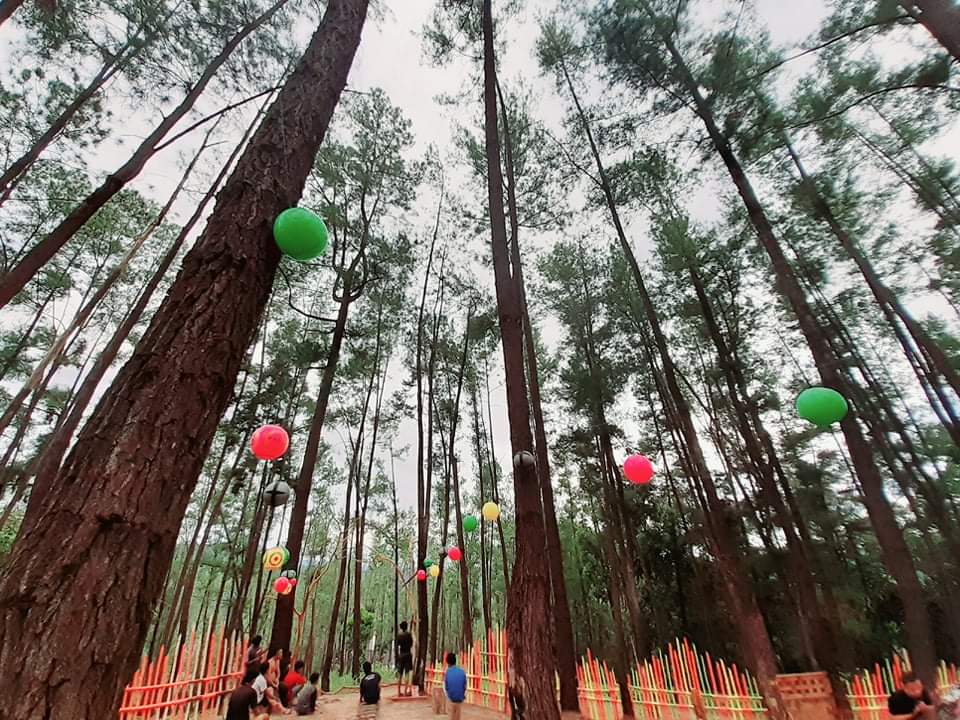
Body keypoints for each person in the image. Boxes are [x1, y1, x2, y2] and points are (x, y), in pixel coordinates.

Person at [444, 652, 467, 720]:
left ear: (448, 663)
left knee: (451, 716)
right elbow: (464, 686)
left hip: (451, 698)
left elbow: (446, 687)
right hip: (460, 698)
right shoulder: (462, 672)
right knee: (457, 716)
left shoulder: (448, 672)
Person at [396, 621, 414, 697]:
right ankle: (406, 691)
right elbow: (411, 644)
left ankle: (398, 691)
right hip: (408, 655)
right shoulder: (409, 635)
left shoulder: (399, 636)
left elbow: (397, 645)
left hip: (401, 655)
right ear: (406, 627)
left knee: (400, 673)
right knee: (407, 673)